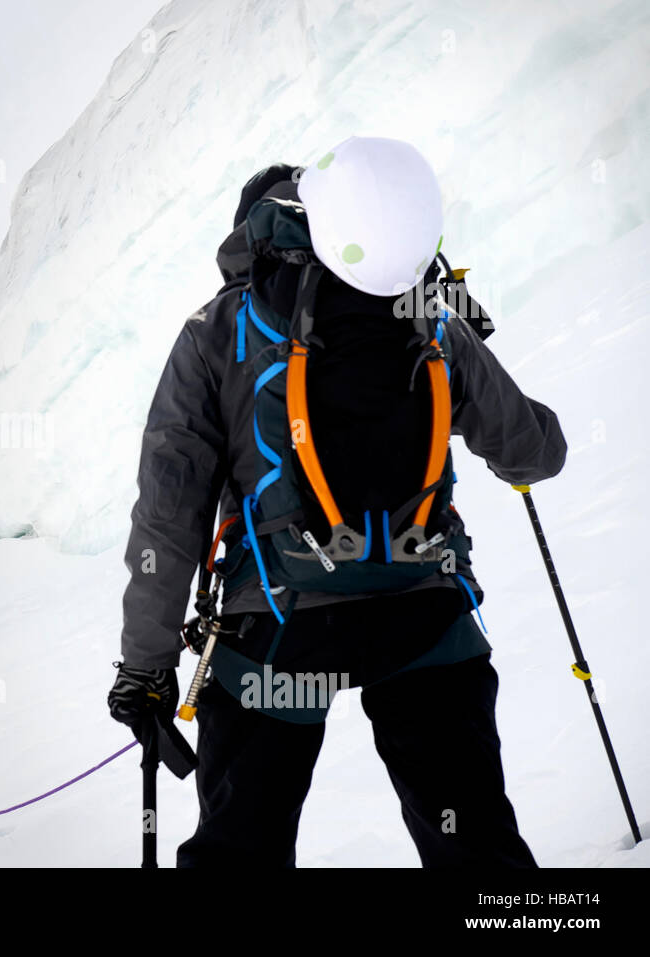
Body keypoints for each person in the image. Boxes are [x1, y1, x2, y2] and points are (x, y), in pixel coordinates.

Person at [108, 136, 567, 867]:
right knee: (476, 845)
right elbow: (536, 453)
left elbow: (169, 513)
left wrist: (146, 665)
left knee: (241, 852)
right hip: (423, 615)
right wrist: (463, 338)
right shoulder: (424, 308)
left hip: (278, 635)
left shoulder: (215, 331)